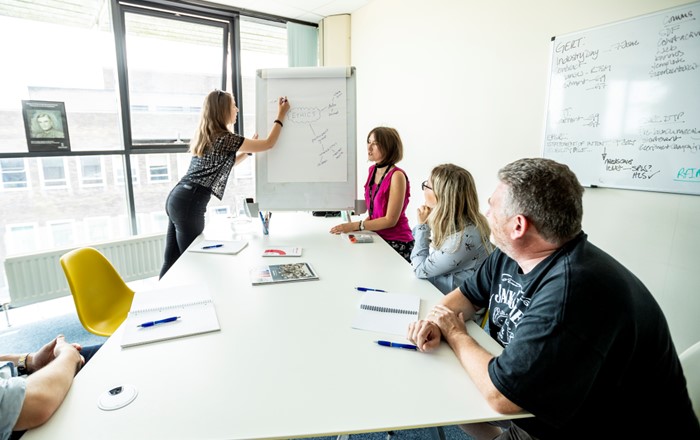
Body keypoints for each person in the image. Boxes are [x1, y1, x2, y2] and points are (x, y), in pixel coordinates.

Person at [407, 158, 700, 439]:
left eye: (493, 206)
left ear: (518, 226)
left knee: (458, 390)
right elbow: (464, 298)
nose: (486, 213)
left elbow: (502, 397)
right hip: (551, 403)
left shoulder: (573, 292)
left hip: (604, 426)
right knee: (451, 389)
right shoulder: (511, 255)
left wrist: (456, 333)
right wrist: (435, 322)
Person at [159, 90, 290, 278]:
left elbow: (226, 164)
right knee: (194, 262)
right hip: (189, 203)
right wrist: (281, 114)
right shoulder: (225, 138)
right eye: (233, 105)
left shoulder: (208, 134)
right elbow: (269, 143)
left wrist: (247, 150)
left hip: (177, 198)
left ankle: (159, 300)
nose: (236, 109)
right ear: (223, 110)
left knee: (172, 260)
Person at [410, 164, 492, 324]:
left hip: (461, 318)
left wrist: (422, 227)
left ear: (442, 197)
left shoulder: (464, 238)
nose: (424, 189)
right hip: (442, 299)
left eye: (427, 186)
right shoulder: (456, 223)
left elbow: (420, 269)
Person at [330, 127, 414, 262]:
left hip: (397, 242)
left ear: (388, 147)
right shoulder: (372, 170)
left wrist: (354, 226)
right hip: (376, 236)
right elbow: (376, 211)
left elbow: (390, 220)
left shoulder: (397, 176)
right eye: (368, 142)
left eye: (375, 143)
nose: (369, 147)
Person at [0, 335, 101, 440]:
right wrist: (70, 355)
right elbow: (33, 403)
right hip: (16, 421)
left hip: (14, 379)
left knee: (104, 354)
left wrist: (30, 361)